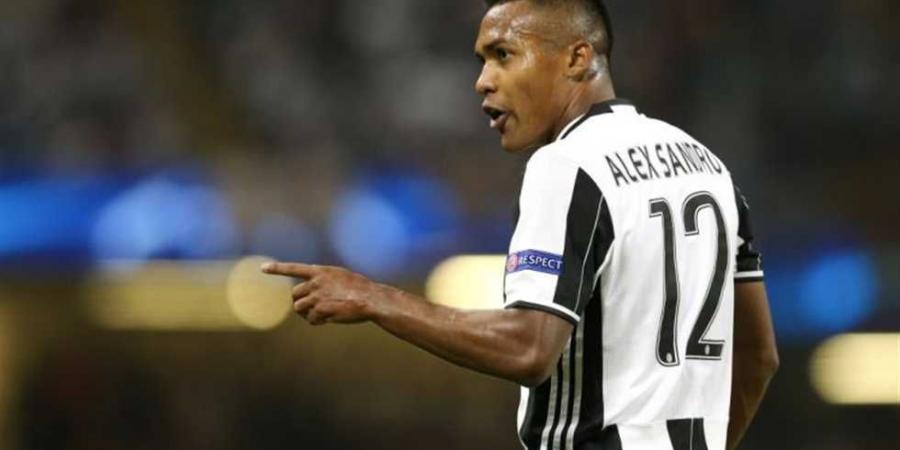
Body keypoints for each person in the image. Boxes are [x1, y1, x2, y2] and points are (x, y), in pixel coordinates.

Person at [262, 1, 779, 449]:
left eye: (503, 54)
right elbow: (759, 357)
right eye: (483, 60)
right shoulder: (708, 167)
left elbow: (529, 347)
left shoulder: (567, 165)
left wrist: (374, 298)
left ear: (578, 58)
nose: (483, 80)